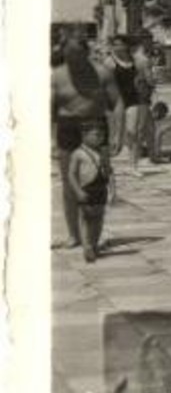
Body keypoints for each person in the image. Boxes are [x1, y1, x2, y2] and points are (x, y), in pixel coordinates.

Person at [52, 36, 118, 249]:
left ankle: (92, 235)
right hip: (68, 127)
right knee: (69, 184)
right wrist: (52, 139)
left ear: (86, 53)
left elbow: (117, 103)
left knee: (97, 182)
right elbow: (49, 110)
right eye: (69, 54)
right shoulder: (58, 75)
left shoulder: (102, 73)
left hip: (95, 125)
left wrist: (117, 135)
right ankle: (74, 235)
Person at [68, 120, 112, 262]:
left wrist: (113, 191)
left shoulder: (104, 152)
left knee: (99, 218)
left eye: (102, 135)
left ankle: (94, 244)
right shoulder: (78, 154)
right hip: (87, 188)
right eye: (96, 135)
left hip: (101, 188)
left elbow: (110, 172)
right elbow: (72, 174)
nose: (99, 138)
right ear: (84, 135)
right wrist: (77, 191)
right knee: (86, 219)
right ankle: (87, 246)